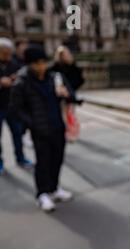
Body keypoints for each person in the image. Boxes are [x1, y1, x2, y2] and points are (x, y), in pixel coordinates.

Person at [10, 45, 74, 212]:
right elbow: (16, 109)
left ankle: (54, 188)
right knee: (43, 162)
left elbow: (71, 95)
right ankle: (42, 194)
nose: (41, 66)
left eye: (43, 62)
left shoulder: (54, 78)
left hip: (57, 126)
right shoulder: (22, 82)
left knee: (57, 159)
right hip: (39, 130)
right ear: (29, 64)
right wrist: (31, 123)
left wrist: (66, 94)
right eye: (37, 63)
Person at [0, 38, 32, 175]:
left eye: (8, 52)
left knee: (17, 134)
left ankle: (21, 158)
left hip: (12, 106)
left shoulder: (14, 64)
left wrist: (14, 80)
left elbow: (23, 80)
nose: (7, 54)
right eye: (4, 52)